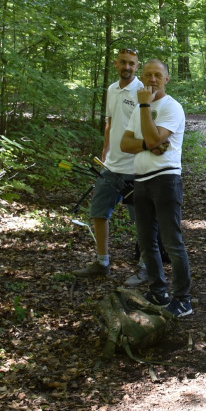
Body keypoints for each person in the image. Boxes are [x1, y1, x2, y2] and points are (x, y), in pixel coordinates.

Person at [119, 58, 193, 319]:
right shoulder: (141, 109)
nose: (151, 80)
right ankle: (158, 291)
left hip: (165, 179)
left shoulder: (172, 107)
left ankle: (183, 299)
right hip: (141, 179)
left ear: (166, 79)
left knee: (171, 242)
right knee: (146, 241)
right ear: (142, 77)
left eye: (157, 76)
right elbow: (125, 144)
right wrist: (148, 145)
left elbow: (152, 137)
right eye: (147, 75)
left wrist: (144, 109)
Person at [73, 47, 142, 278]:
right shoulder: (112, 89)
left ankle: (145, 265)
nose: (127, 67)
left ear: (137, 66)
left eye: (132, 63)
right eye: (123, 62)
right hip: (111, 167)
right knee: (99, 213)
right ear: (115, 64)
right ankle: (102, 263)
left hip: (137, 168)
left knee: (142, 219)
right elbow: (110, 122)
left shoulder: (143, 91)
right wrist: (105, 150)